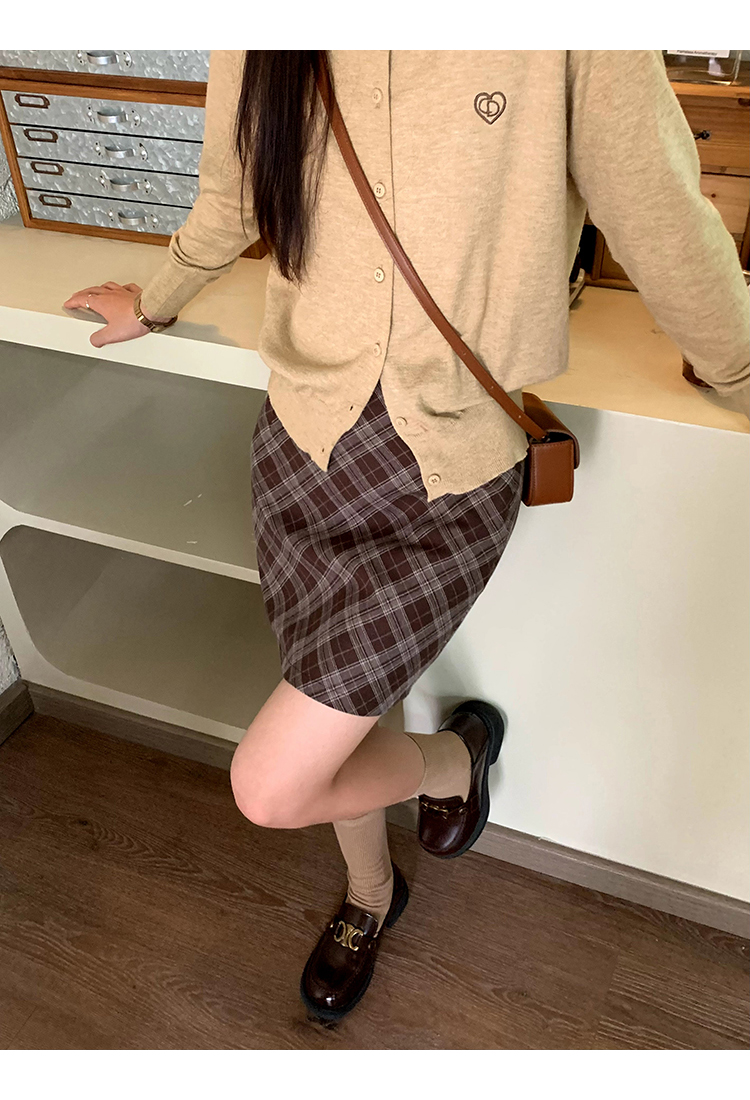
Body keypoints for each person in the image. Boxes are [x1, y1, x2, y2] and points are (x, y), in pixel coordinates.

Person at [63, 50, 750, 1023]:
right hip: (300, 443)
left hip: (450, 466)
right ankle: (374, 887)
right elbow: (233, 194)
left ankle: (456, 766)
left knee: (273, 783)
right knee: (343, 702)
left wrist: (740, 366)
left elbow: (659, 213)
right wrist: (155, 298)